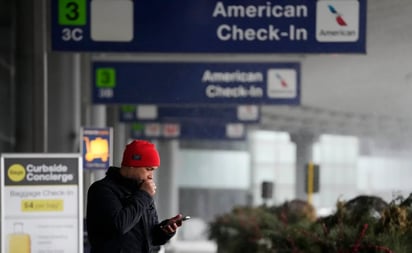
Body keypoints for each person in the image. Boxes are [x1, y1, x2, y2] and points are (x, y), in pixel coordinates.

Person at [86, 139, 183, 253]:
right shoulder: (102, 189)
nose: (151, 176)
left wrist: (165, 231)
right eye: (148, 169)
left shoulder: (142, 191)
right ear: (132, 165)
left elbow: (151, 238)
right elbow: (119, 226)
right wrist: (143, 195)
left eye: (153, 170)